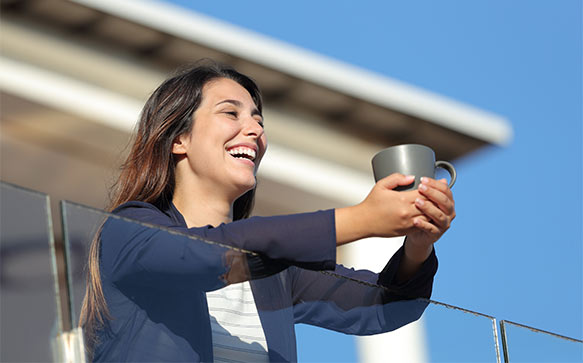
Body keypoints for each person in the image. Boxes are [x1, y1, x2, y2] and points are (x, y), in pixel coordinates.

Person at [80, 60, 456, 362]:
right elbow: (198, 254)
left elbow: (381, 307)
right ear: (179, 139)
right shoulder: (128, 229)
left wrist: (418, 243)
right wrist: (360, 219)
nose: (255, 131)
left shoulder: (273, 272)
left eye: (258, 121)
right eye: (232, 114)